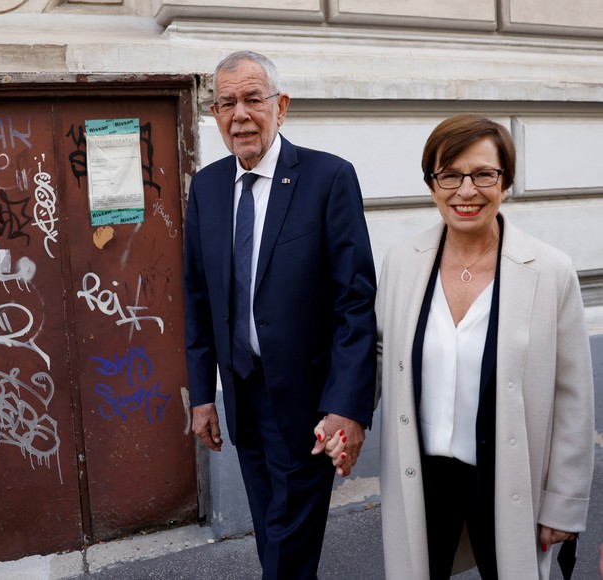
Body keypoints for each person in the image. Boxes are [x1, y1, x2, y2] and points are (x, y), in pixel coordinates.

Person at [331, 114, 594, 580]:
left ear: (506, 181)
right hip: (422, 472)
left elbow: (572, 396)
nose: (466, 191)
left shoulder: (550, 271)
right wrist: (345, 414)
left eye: (483, 174)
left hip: (507, 473)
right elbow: (378, 353)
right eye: (449, 175)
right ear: (432, 184)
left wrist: (563, 504)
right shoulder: (403, 263)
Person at [183, 50, 378, 579]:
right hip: (244, 396)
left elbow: (355, 304)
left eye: (252, 98)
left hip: (307, 402)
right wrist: (203, 394)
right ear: (215, 114)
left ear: (281, 106)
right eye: (226, 103)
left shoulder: (328, 178)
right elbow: (198, 299)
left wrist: (348, 405)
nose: (239, 114)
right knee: (275, 528)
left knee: (289, 535)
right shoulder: (207, 188)